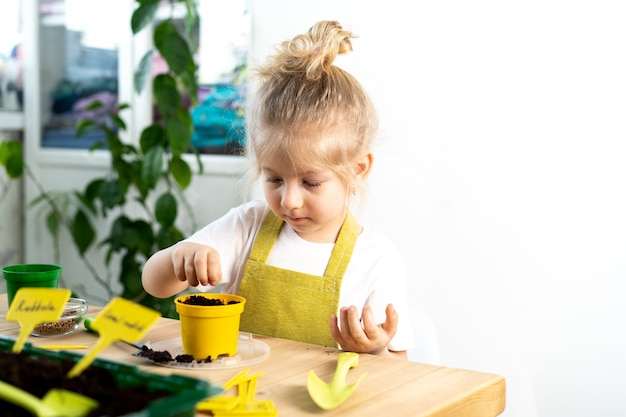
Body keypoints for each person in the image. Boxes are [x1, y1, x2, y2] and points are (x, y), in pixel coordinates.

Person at [142, 20, 413, 359]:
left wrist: (374, 351)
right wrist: (177, 258)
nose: (289, 200)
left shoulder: (376, 260)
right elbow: (154, 283)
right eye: (273, 179)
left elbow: (400, 374)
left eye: (311, 182)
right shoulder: (248, 225)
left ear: (358, 170)